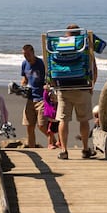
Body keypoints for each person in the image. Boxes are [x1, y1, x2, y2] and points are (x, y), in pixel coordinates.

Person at [53, 24, 97, 159]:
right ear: (79, 35)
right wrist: (91, 85)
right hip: (82, 87)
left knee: (63, 120)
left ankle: (64, 151)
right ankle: (84, 149)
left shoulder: (57, 47)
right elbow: (93, 68)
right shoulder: (84, 47)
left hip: (63, 88)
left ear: (67, 35)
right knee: (83, 120)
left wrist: (53, 84)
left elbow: (51, 66)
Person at [19, 44, 53, 149]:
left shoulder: (41, 64)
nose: (27, 57)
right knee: (29, 126)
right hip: (30, 98)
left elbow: (49, 79)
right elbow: (24, 79)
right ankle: (32, 147)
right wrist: (21, 87)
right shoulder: (24, 64)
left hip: (41, 98)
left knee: (42, 125)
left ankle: (53, 141)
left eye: (28, 55)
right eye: (25, 55)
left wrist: (47, 87)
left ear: (33, 52)